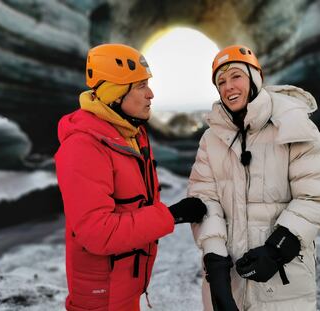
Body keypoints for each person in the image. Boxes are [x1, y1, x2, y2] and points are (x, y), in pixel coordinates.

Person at [55, 43, 207, 311]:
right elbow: (97, 232)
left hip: (124, 287)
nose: (151, 94)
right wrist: (171, 216)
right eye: (140, 86)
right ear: (115, 94)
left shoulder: (129, 135)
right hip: (101, 296)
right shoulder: (84, 147)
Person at [188, 44, 320, 311]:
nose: (228, 87)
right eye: (220, 82)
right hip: (231, 279)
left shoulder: (293, 123)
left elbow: (317, 194)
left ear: (255, 78)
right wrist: (215, 258)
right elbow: (204, 197)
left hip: (283, 278)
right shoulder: (211, 139)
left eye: (236, 76)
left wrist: (278, 249)